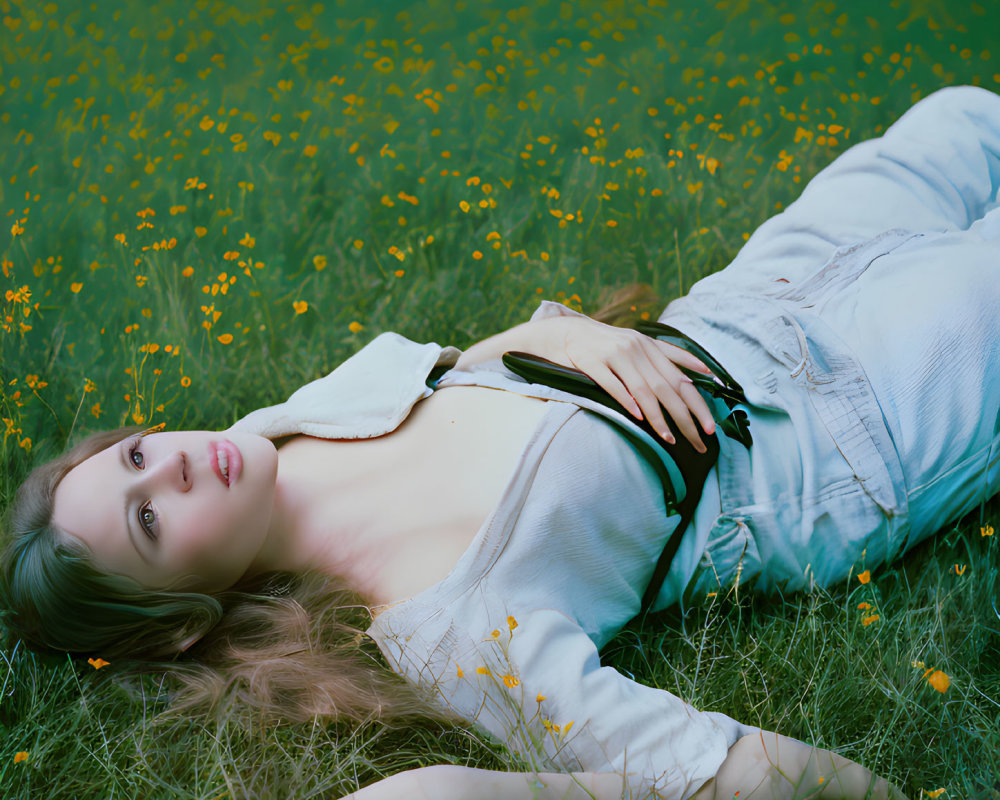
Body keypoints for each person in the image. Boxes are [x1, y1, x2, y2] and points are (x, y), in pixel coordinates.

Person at [3, 84, 999, 800]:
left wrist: (563, 331)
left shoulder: (288, 425)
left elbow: (470, 356)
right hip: (833, 438)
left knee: (963, 117)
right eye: (147, 519)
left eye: (135, 455)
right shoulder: (444, 629)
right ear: (182, 619)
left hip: (753, 299)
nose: (171, 464)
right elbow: (708, 765)